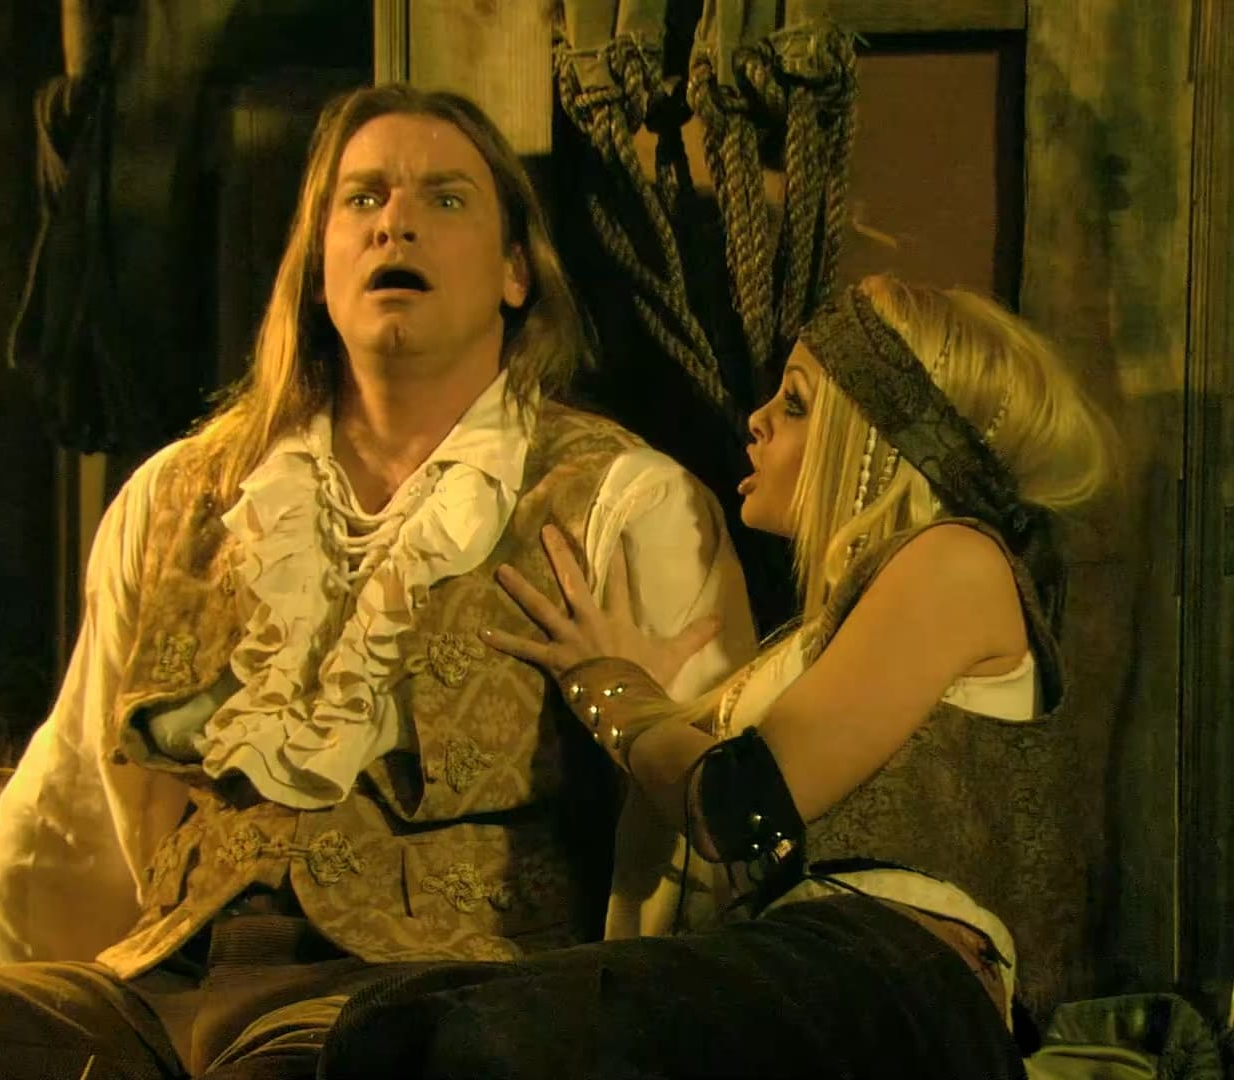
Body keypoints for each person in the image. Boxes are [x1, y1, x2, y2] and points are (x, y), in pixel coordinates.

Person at [0, 84, 753, 1079]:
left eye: (447, 199)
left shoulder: (620, 504)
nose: (396, 223)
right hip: (160, 992)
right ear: (317, 270)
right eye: (362, 198)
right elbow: (81, 786)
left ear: (517, 273)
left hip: (410, 1012)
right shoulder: (184, 497)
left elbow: (691, 845)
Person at [316, 274, 1117, 1080]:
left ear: (879, 439)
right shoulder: (807, 649)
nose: (758, 420)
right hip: (795, 964)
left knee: (467, 1041)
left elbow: (740, 805)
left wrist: (611, 689)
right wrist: (665, 709)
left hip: (896, 978)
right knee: (388, 1028)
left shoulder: (958, 559)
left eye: (797, 403)